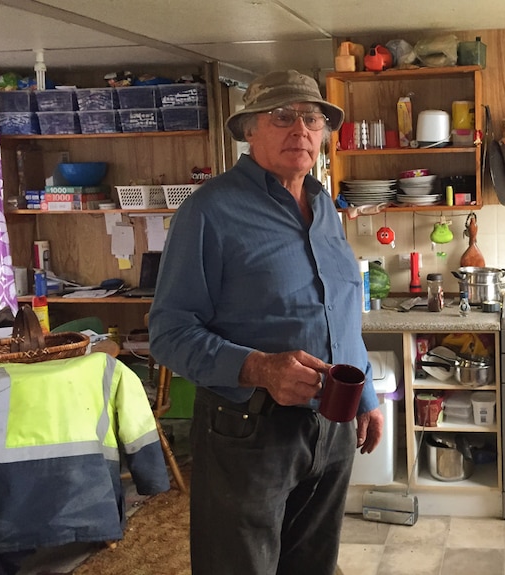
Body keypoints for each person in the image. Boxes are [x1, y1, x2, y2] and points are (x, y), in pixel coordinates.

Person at [148, 70, 383, 575]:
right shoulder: (209, 212)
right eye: (283, 117)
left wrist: (365, 395)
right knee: (240, 566)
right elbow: (168, 333)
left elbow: (340, 311)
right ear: (249, 130)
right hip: (248, 429)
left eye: (312, 118)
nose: (301, 129)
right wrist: (258, 368)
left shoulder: (325, 208)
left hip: (330, 423)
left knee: (312, 563)